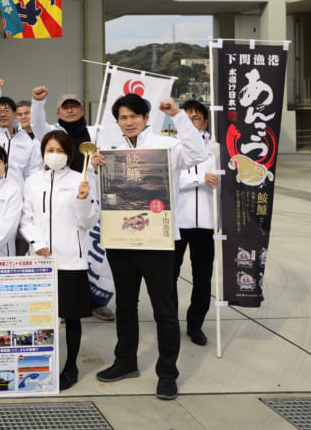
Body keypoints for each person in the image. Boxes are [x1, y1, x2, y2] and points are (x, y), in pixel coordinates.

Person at [91, 94, 209, 401]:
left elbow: (198, 153)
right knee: (125, 306)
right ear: (117, 122)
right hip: (121, 239)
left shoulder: (166, 146)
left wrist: (178, 115)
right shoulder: (110, 151)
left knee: (164, 310)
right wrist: (94, 169)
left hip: (157, 240)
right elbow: (101, 194)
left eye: (134, 116)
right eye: (123, 117)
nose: (129, 122)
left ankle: (167, 374)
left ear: (146, 117)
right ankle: (126, 361)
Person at [30, 86, 115, 322]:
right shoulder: (52, 132)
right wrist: (37, 102)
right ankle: (60, 307)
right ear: (58, 111)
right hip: (63, 201)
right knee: (68, 254)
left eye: (74, 107)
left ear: (82, 110)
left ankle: (97, 301)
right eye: (65, 108)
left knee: (97, 254)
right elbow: (37, 124)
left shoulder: (96, 133)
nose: (70, 111)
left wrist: (99, 164)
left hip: (91, 198)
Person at [20, 131, 96, 390]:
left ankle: (71, 366)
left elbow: (88, 221)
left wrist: (83, 199)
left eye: (60, 150)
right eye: (50, 150)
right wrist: (37, 243)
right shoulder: (32, 181)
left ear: (69, 154)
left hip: (70, 260)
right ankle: (40, 365)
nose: (55, 155)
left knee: (71, 317)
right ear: (43, 152)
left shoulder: (80, 180)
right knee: (39, 317)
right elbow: (26, 218)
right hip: (40, 260)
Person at [173, 99, 219, 347]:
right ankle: (169, 322)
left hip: (206, 223)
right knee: (169, 274)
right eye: (187, 118)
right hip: (178, 222)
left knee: (202, 277)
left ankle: (195, 324)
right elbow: (173, 180)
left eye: (197, 118)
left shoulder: (216, 149)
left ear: (205, 122)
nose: (192, 123)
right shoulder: (172, 147)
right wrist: (201, 178)